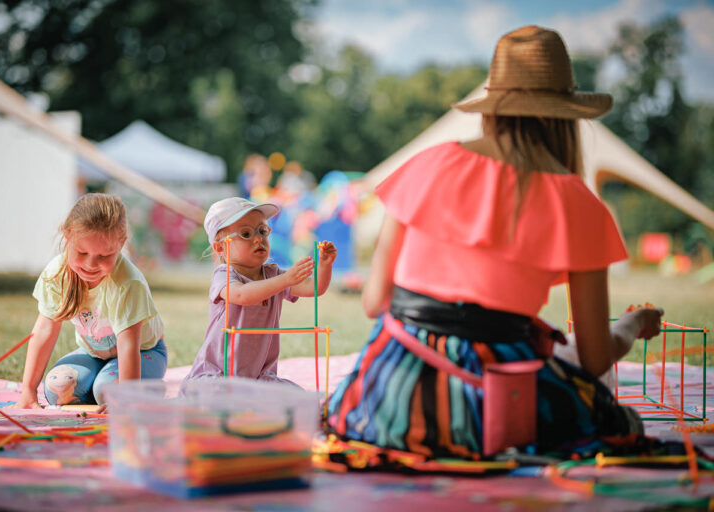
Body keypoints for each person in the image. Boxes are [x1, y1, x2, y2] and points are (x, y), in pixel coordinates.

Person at [325, 26, 664, 457]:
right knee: (619, 422)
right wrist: (633, 324)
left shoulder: (428, 164)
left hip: (385, 397)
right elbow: (596, 359)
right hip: (500, 398)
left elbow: (376, 302)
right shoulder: (579, 203)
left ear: (492, 108)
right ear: (563, 115)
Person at [13, 193, 167, 408]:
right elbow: (44, 331)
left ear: (121, 244)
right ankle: (104, 384)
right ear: (67, 237)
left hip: (145, 353)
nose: (91, 264)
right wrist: (28, 391)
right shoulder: (56, 274)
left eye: (104, 256)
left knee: (107, 392)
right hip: (93, 353)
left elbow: (128, 344)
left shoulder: (128, 283)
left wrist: (126, 398)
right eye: (82, 252)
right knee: (56, 389)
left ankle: (148, 391)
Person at [185, 197, 336, 386]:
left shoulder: (272, 274)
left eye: (263, 231)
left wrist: (325, 265)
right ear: (220, 247)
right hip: (217, 375)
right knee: (214, 398)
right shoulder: (223, 276)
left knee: (296, 398)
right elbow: (242, 295)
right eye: (246, 234)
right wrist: (285, 280)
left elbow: (314, 289)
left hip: (259, 379)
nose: (258, 239)